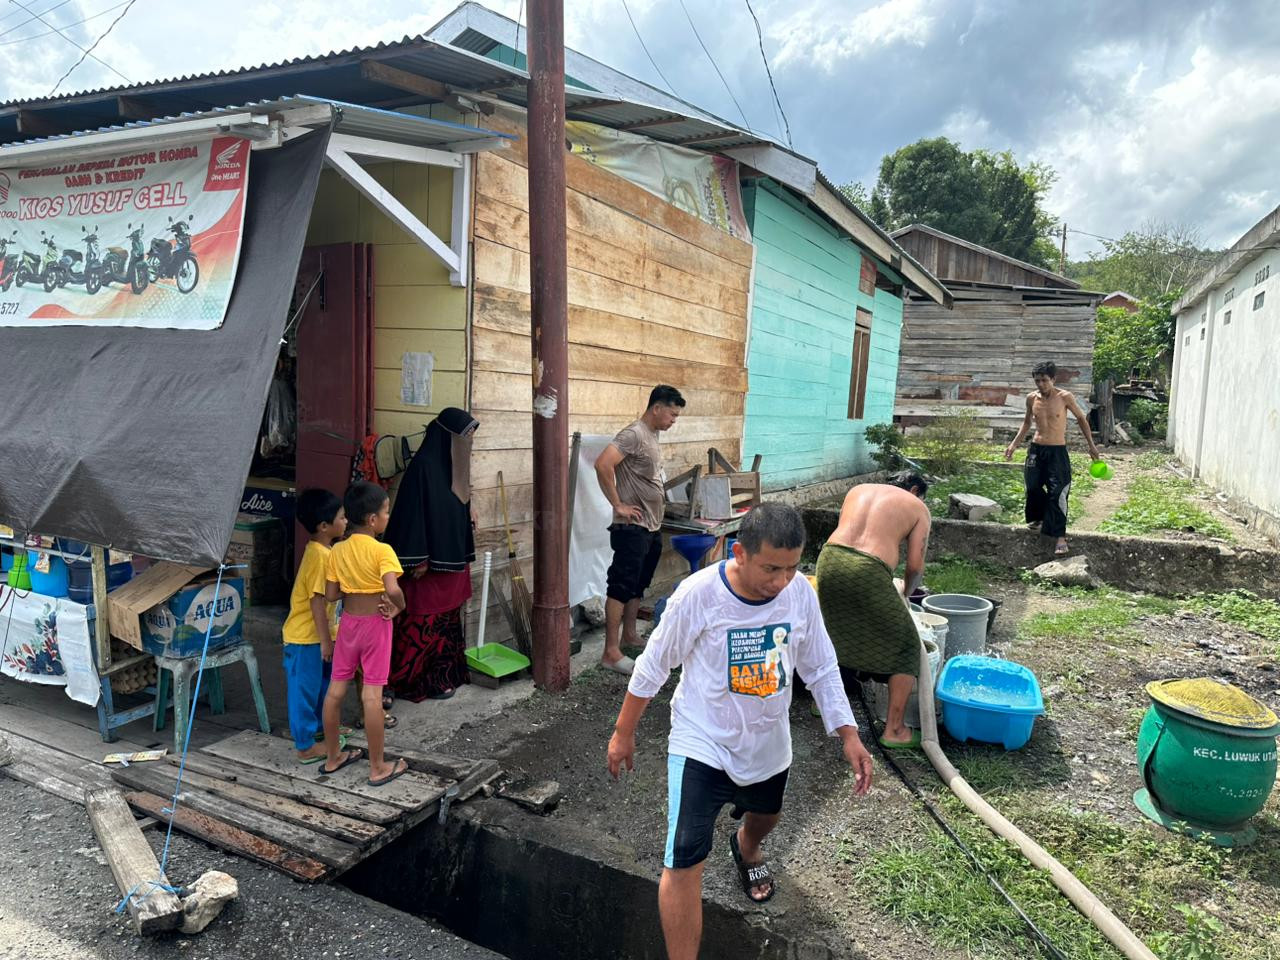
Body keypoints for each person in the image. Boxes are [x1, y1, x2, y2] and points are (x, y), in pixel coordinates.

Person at [607, 503, 873, 960]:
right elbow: (654, 665)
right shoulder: (699, 595)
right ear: (739, 553)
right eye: (771, 568)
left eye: (792, 567)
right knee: (684, 857)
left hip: (768, 740)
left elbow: (821, 665)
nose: (782, 581)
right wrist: (623, 732)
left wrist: (848, 733)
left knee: (767, 815)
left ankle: (748, 846)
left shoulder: (799, 594)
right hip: (702, 739)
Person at [816, 472, 931, 749]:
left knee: (837, 629)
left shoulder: (859, 489)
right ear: (915, 490)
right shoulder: (917, 507)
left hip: (829, 559)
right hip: (868, 569)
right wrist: (906, 591)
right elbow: (915, 566)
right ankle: (895, 730)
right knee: (906, 645)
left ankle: (824, 705)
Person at [384, 408, 479, 701]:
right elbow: (412, 515)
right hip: (428, 568)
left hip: (452, 562)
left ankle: (441, 679)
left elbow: (458, 502)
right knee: (422, 622)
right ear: (447, 437)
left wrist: (469, 510)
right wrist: (420, 557)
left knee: (447, 623)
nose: (468, 442)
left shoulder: (456, 467)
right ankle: (407, 681)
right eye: (464, 436)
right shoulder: (423, 467)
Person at [320, 482, 409, 786]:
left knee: (335, 690)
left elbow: (331, 594)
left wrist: (352, 584)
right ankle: (378, 767)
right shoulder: (383, 550)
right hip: (375, 625)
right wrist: (399, 606)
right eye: (385, 512)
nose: (387, 517)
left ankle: (333, 757)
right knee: (372, 695)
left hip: (348, 624)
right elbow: (392, 589)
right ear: (372, 519)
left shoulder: (337, 550)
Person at [594, 384, 686, 675]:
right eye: (672, 414)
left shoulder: (652, 435)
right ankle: (610, 653)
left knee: (638, 583)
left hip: (651, 525)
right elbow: (603, 464)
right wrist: (618, 504)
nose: (674, 420)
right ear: (656, 408)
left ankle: (630, 635)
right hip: (631, 527)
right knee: (621, 586)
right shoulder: (633, 434)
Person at [1004, 361, 1100, 556]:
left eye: (1044, 380)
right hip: (1036, 449)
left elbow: (1081, 419)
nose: (1041, 384)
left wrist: (1091, 445)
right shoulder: (1031, 398)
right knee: (1032, 487)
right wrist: (1014, 445)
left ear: (1053, 379)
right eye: (1037, 381)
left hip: (1057, 452)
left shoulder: (1065, 397)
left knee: (1058, 493)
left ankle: (1060, 536)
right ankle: (1039, 519)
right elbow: (1026, 423)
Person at [281, 488, 347, 764]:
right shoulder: (319, 556)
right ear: (324, 526)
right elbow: (317, 602)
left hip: (318, 636)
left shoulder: (322, 551)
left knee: (322, 686)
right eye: (341, 517)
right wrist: (326, 641)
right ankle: (305, 746)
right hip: (305, 638)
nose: (345, 521)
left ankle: (321, 729)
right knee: (304, 691)